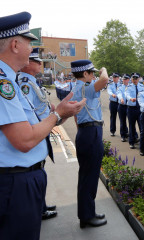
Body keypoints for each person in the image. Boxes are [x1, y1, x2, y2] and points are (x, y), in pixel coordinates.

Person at [0, 11, 86, 239]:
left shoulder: (10, 79)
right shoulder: (2, 83)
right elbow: (24, 140)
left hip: (21, 178)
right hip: (15, 183)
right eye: (30, 43)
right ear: (16, 44)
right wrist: (57, 115)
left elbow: (31, 124)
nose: (33, 49)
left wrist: (61, 115)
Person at [17, 47, 58, 220]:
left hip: (42, 128)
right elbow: (29, 112)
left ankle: (41, 205)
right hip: (37, 131)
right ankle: (39, 208)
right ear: (28, 64)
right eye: (37, 61)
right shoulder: (25, 83)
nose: (40, 64)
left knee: (40, 168)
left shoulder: (32, 80)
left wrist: (50, 110)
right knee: (37, 169)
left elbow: (39, 105)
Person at [71, 60, 109, 228]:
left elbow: (76, 115)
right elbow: (105, 80)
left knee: (88, 176)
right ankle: (87, 216)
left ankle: (88, 213)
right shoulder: (84, 87)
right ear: (84, 74)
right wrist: (104, 69)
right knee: (89, 177)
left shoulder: (79, 87)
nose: (94, 75)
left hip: (88, 132)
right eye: (91, 72)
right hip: (90, 133)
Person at [125, 72, 144, 149]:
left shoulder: (142, 86)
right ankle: (131, 142)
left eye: (136, 78)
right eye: (133, 78)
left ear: (139, 79)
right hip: (131, 108)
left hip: (140, 108)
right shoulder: (128, 87)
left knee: (141, 126)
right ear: (131, 79)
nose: (135, 80)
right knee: (131, 126)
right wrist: (130, 99)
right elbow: (127, 95)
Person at [116, 74, 130, 142]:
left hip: (130, 106)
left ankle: (133, 135)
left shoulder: (131, 87)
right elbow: (119, 93)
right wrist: (121, 98)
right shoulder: (120, 87)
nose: (125, 80)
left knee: (131, 122)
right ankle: (123, 135)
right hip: (122, 106)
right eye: (124, 79)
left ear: (129, 80)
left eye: (126, 79)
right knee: (123, 121)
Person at [107, 72, 120, 136]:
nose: (114, 79)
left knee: (122, 118)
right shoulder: (110, 84)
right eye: (113, 77)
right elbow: (109, 91)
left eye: (116, 77)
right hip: (113, 102)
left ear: (118, 78)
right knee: (113, 117)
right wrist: (112, 94)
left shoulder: (121, 84)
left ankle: (124, 131)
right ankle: (112, 130)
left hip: (120, 103)